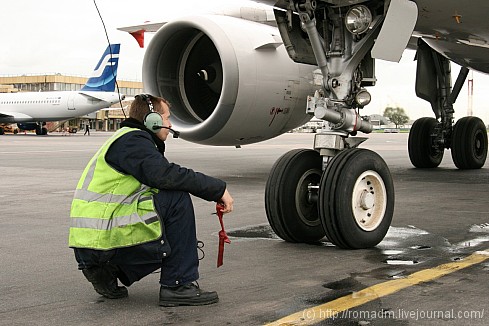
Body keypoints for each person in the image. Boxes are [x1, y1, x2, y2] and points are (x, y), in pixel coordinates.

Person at [69, 94, 234, 306]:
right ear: (152, 120)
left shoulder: (125, 139)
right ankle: (178, 285)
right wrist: (217, 190)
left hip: (94, 243)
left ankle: (108, 272)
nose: (170, 124)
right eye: (167, 118)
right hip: (102, 242)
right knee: (175, 198)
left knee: (158, 204)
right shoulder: (132, 141)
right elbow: (165, 175)